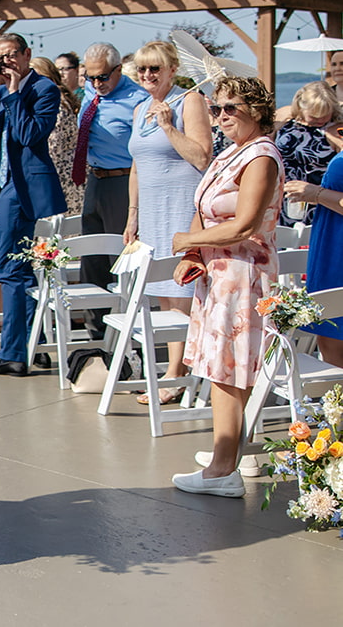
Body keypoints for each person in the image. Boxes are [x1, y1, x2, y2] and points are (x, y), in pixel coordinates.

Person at [170, 76, 282, 498]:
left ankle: (222, 470)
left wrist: (187, 241)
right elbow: (203, 206)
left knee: (229, 368)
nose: (220, 117)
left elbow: (247, 223)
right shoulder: (229, 154)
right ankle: (229, 455)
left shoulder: (261, 156)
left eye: (230, 108)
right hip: (218, 270)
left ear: (255, 110)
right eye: (216, 109)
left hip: (243, 273)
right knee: (222, 366)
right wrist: (193, 256)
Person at [121, 41, 212, 405]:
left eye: (154, 69)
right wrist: (132, 214)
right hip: (152, 210)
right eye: (142, 69)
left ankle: (178, 371)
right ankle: (175, 366)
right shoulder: (139, 106)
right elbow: (137, 164)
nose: (147, 75)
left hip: (180, 205)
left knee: (183, 292)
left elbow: (203, 156)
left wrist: (169, 126)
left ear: (172, 70)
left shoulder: (188, 101)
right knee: (163, 292)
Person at [0, 33, 67, 376]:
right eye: (1, 57)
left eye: (12, 56)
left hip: (22, 186)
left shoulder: (43, 90)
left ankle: (13, 353)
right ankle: (32, 345)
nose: (7, 63)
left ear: (27, 55)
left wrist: (13, 93)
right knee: (19, 270)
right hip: (4, 184)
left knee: (9, 270)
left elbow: (29, 135)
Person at [73, 42, 146, 338]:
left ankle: (125, 329)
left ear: (118, 70)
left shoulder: (138, 99)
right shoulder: (90, 94)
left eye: (102, 77)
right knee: (92, 258)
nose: (96, 84)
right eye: (90, 78)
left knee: (121, 258)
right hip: (94, 180)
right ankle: (95, 329)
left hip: (123, 181)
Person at [285, 150, 343, 368]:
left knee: (334, 337)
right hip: (331, 249)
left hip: (338, 254)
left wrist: (316, 194)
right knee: (330, 338)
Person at [273, 81, 342, 226]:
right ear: (301, 107)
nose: (320, 119)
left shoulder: (335, 130)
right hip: (283, 198)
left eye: (325, 114)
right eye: (314, 115)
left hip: (318, 199)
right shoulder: (285, 120)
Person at [30, 57, 83, 216]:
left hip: (59, 179)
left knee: (56, 235)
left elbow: (53, 148)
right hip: (66, 175)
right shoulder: (54, 100)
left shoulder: (55, 104)